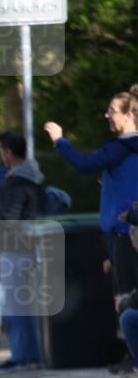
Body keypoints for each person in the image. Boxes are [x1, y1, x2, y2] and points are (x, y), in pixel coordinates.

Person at [44, 84, 138, 295]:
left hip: (125, 236)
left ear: (129, 115)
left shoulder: (119, 148)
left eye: (112, 111)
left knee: (127, 306)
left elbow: (84, 164)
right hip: (127, 234)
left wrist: (60, 141)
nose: (107, 115)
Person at [0, 131, 47, 373]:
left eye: (2, 152)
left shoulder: (15, 181)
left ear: (8, 153)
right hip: (33, 247)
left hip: (14, 250)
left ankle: (23, 356)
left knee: (15, 306)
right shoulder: (36, 178)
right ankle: (31, 354)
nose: (1, 157)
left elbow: (9, 218)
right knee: (28, 305)